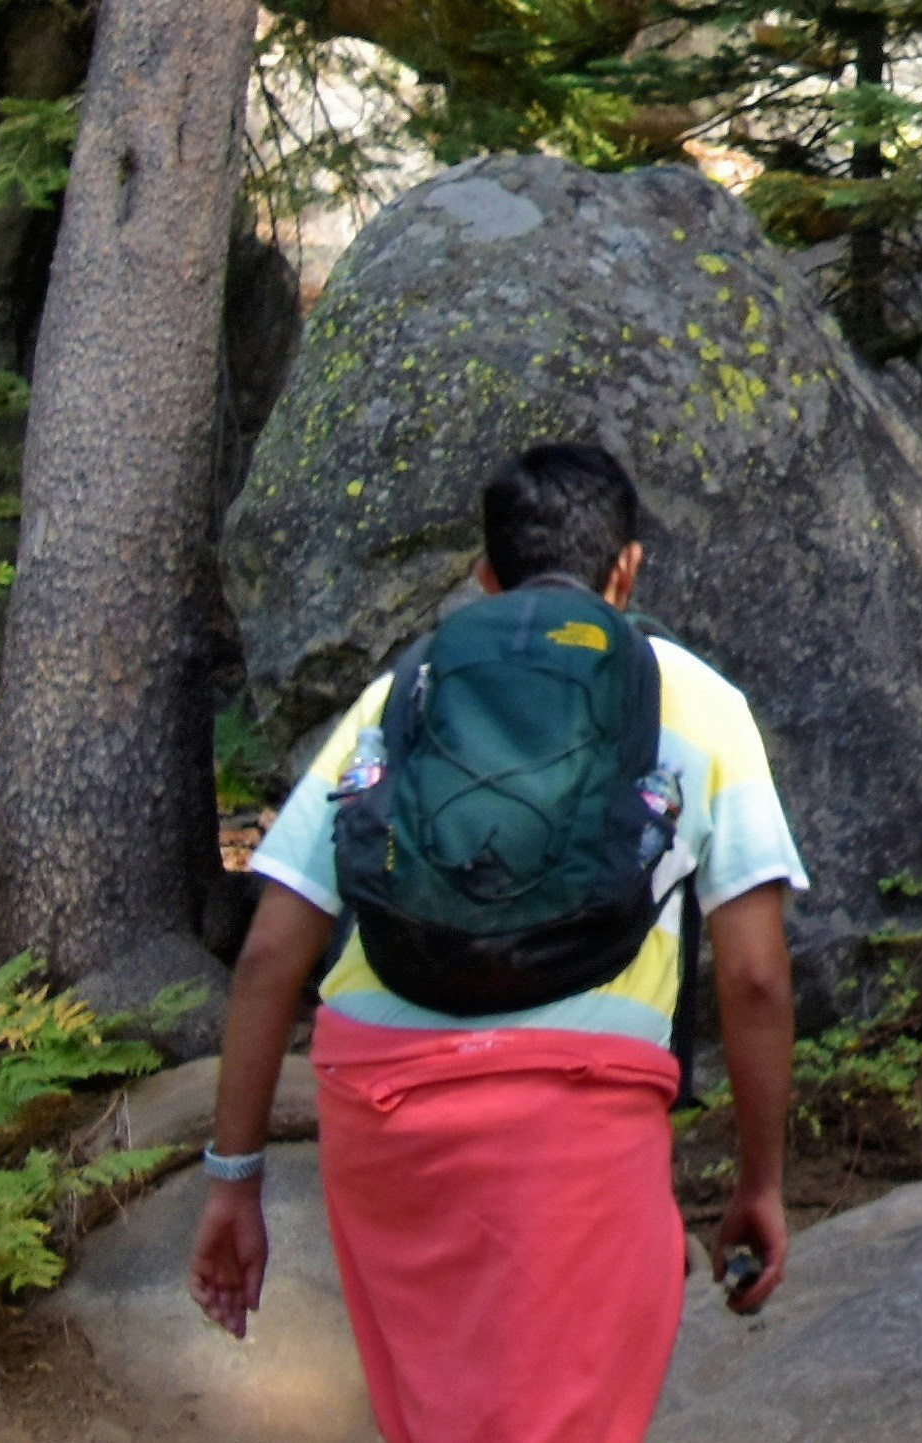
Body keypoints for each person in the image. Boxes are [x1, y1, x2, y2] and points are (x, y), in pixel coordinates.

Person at [192, 440, 802, 1443]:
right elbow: (756, 975)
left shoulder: (405, 693)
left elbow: (269, 955)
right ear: (628, 569)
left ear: (485, 574)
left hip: (380, 1113)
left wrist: (234, 1180)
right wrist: (760, 1181)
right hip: (574, 1109)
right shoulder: (694, 699)